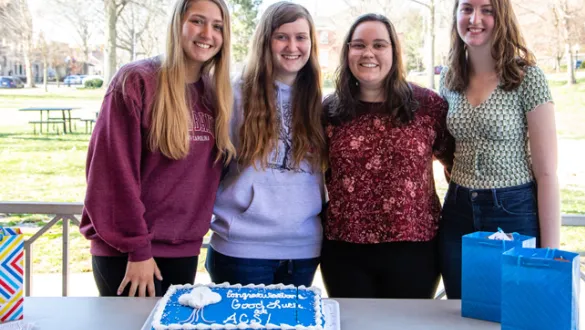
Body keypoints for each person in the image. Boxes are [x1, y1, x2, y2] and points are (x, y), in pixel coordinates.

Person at [80, 0, 234, 297]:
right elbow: (112, 173)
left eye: (217, 26)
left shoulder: (216, 95)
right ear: (177, 24)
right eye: (197, 21)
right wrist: (137, 248)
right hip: (127, 253)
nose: (207, 33)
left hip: (183, 250)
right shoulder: (137, 80)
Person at [321, 13, 454, 299]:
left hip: (415, 250)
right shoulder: (327, 112)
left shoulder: (428, 106)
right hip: (344, 252)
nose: (368, 53)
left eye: (379, 45)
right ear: (347, 53)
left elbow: (454, 164)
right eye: (358, 45)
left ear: (394, 51)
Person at [438, 0, 561, 299]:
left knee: (516, 310)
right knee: (461, 311)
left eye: (487, 10)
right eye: (466, 8)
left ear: (501, 16)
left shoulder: (527, 78)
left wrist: (552, 251)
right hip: (457, 211)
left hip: (513, 211)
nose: (475, 18)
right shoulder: (449, 79)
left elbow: (547, 173)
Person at [206, 2, 326, 287]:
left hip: (303, 250)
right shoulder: (233, 95)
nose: (292, 46)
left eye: (301, 37)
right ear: (265, 41)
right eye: (281, 36)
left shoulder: (319, 102)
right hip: (241, 248)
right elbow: (209, 166)